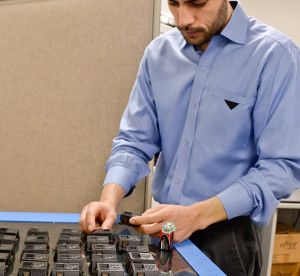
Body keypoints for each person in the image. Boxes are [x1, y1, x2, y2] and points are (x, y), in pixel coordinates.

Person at [80, 0, 300, 275]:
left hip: (226, 237)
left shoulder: (275, 54)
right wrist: (108, 200)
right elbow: (134, 141)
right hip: (165, 230)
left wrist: (195, 216)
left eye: (197, 3)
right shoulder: (159, 53)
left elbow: (281, 167)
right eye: (174, 3)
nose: (183, 18)